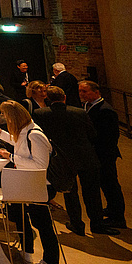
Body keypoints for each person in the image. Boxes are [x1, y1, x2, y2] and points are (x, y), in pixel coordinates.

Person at [33, 86, 117, 235]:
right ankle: (97, 224)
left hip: (62, 159)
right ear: (64, 97)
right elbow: (92, 133)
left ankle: (77, 224)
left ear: (48, 99)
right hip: (85, 156)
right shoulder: (79, 112)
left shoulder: (40, 114)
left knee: (70, 193)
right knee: (92, 192)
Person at [0, 101, 61, 264]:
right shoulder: (25, 131)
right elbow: (19, 143)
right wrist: (2, 134)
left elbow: (39, 165)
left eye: (6, 116)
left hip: (39, 186)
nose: (4, 119)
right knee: (35, 221)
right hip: (30, 184)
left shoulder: (35, 134)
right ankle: (38, 257)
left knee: (43, 225)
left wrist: (11, 157)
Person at [79, 80, 126, 229]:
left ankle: (118, 217)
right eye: (80, 91)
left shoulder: (105, 110)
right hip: (95, 154)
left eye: (84, 91)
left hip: (104, 155)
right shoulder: (88, 106)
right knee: (104, 185)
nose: (81, 94)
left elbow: (110, 137)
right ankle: (112, 209)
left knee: (110, 185)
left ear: (96, 92)